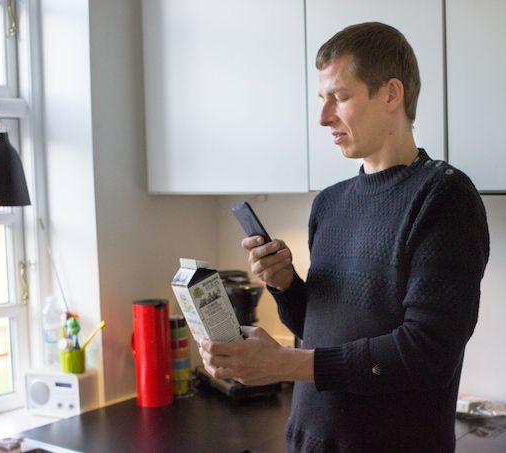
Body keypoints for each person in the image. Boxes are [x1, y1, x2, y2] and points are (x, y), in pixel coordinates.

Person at [199, 22, 490, 453]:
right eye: (322, 99)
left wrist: (283, 364)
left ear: (392, 94)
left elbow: (427, 354)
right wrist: (286, 286)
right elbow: (316, 330)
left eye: (340, 97)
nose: (323, 117)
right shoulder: (330, 204)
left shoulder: (443, 197)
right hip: (309, 441)